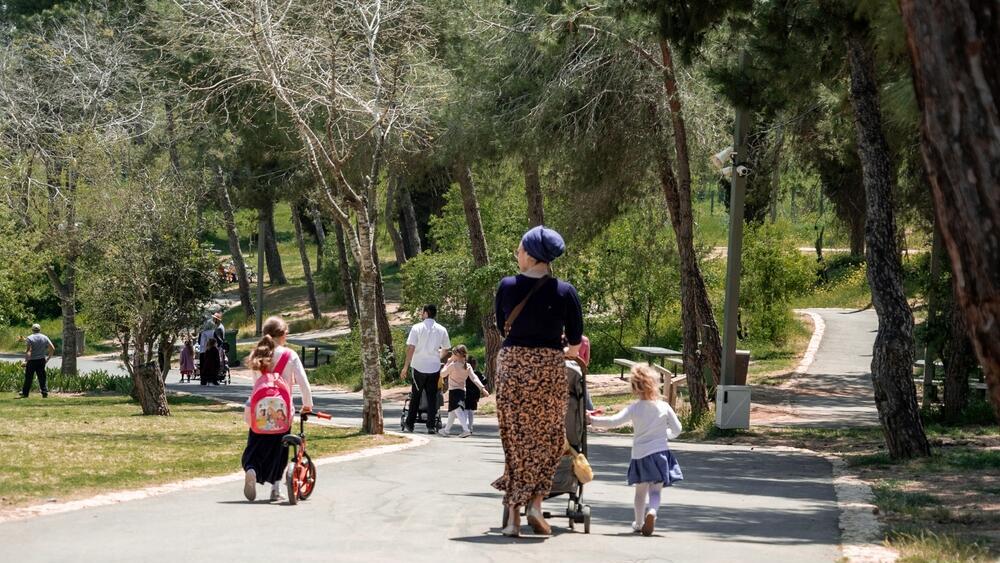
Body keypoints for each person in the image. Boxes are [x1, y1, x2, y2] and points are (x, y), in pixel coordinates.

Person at [492, 225, 583, 537]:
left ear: (530, 255)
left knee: (515, 440)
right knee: (549, 439)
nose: (517, 255)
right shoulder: (565, 292)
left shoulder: (506, 286)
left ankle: (513, 517)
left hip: (513, 367)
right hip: (547, 369)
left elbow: (502, 328)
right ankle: (535, 504)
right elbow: (575, 341)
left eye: (519, 250)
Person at [588, 364, 683, 537]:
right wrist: (667, 434)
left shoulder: (635, 408)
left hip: (641, 455)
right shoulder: (664, 406)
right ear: (655, 384)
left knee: (640, 493)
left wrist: (592, 420)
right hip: (661, 454)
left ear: (634, 387)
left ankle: (639, 523)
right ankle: (652, 512)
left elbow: (613, 421)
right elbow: (677, 429)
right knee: (656, 491)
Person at [242, 316, 314, 502]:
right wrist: (307, 404)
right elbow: (303, 383)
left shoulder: (258, 354)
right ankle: (275, 488)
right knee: (280, 449)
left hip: (259, 410)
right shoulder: (290, 355)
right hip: (282, 410)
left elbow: (256, 384)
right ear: (282, 334)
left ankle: (251, 469)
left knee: (256, 444)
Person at [399, 304, 450, 434]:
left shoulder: (417, 328)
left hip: (418, 366)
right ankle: (431, 426)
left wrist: (405, 367)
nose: (421, 314)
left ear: (426, 313)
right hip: (434, 367)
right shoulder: (442, 329)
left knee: (416, 395)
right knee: (432, 397)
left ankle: (410, 423)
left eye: (422, 312)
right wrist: (437, 357)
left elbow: (411, 348)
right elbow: (446, 349)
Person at [440, 345, 488, 438]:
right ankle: (446, 430)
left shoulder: (453, 365)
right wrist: (482, 388)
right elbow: (474, 378)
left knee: (457, 409)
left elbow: (442, 374)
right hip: (462, 391)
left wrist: (447, 363)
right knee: (452, 412)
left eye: (453, 353)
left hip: (454, 391)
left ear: (457, 355)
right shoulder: (467, 366)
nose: (452, 355)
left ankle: (466, 430)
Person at [20, 324, 55, 398]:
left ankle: (25, 393)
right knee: (42, 377)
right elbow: (52, 348)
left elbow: (29, 351)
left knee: (29, 377)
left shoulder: (30, 338)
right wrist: (48, 358)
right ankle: (44, 392)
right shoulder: (44, 337)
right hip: (41, 360)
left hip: (32, 361)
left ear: (32, 329)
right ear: (40, 329)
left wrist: (26, 360)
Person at [464, 357, 487, 434]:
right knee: (471, 411)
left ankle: (465, 427)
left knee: (466, 410)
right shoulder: (477, 373)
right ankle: (470, 427)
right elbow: (485, 380)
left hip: (466, 393)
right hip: (474, 394)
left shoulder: (464, 372)